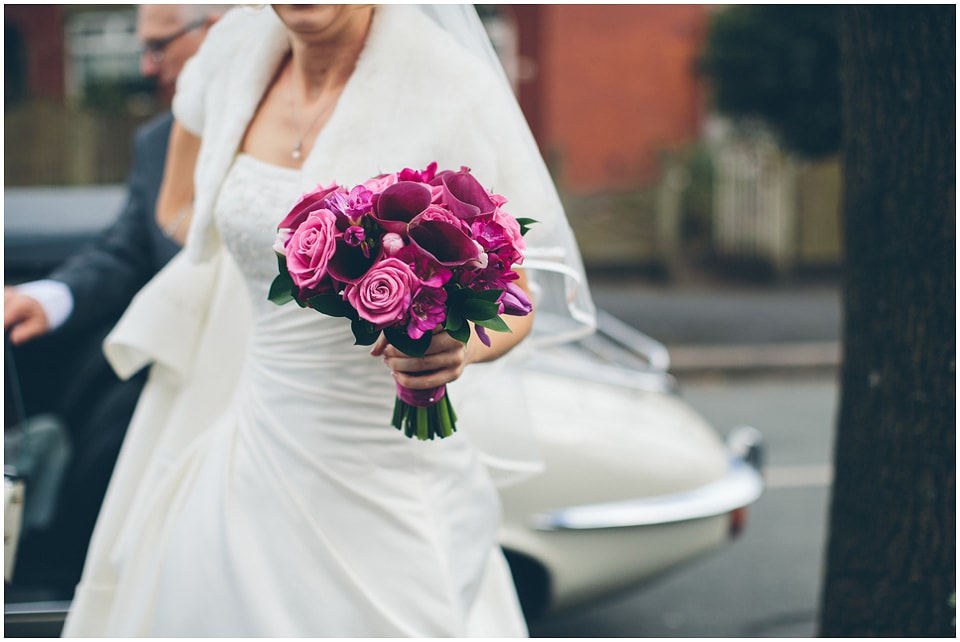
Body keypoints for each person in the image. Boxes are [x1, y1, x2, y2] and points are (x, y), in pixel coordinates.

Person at [62, 5, 595, 636]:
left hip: (383, 461)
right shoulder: (231, 57)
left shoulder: (451, 86)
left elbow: (518, 297)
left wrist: (456, 344)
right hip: (251, 431)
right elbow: (181, 211)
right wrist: (247, 278)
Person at [2, 5, 226, 589]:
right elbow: (127, 247)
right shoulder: (159, 140)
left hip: (266, 372)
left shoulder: (314, 124)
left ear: (218, 29)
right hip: (177, 362)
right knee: (102, 438)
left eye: (159, 46)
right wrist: (48, 298)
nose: (147, 67)